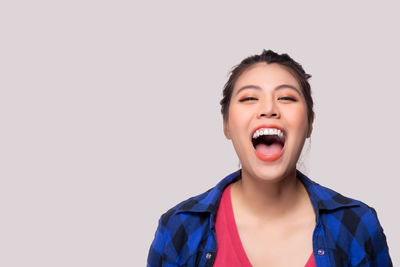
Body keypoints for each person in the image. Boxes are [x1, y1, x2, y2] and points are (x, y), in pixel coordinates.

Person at [147, 50, 392, 267]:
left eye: (286, 98)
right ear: (226, 126)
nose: (269, 109)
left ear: (309, 124)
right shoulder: (179, 228)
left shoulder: (357, 225)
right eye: (249, 98)